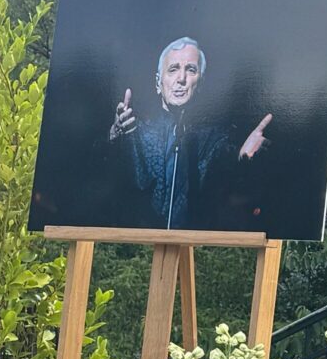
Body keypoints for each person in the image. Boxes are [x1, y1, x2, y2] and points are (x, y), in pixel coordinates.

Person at [108, 36, 272, 229]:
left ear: (200, 83)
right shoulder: (136, 132)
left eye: (191, 70)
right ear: (158, 83)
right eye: (173, 69)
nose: (181, 79)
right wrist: (114, 137)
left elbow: (227, 178)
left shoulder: (214, 140)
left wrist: (242, 158)